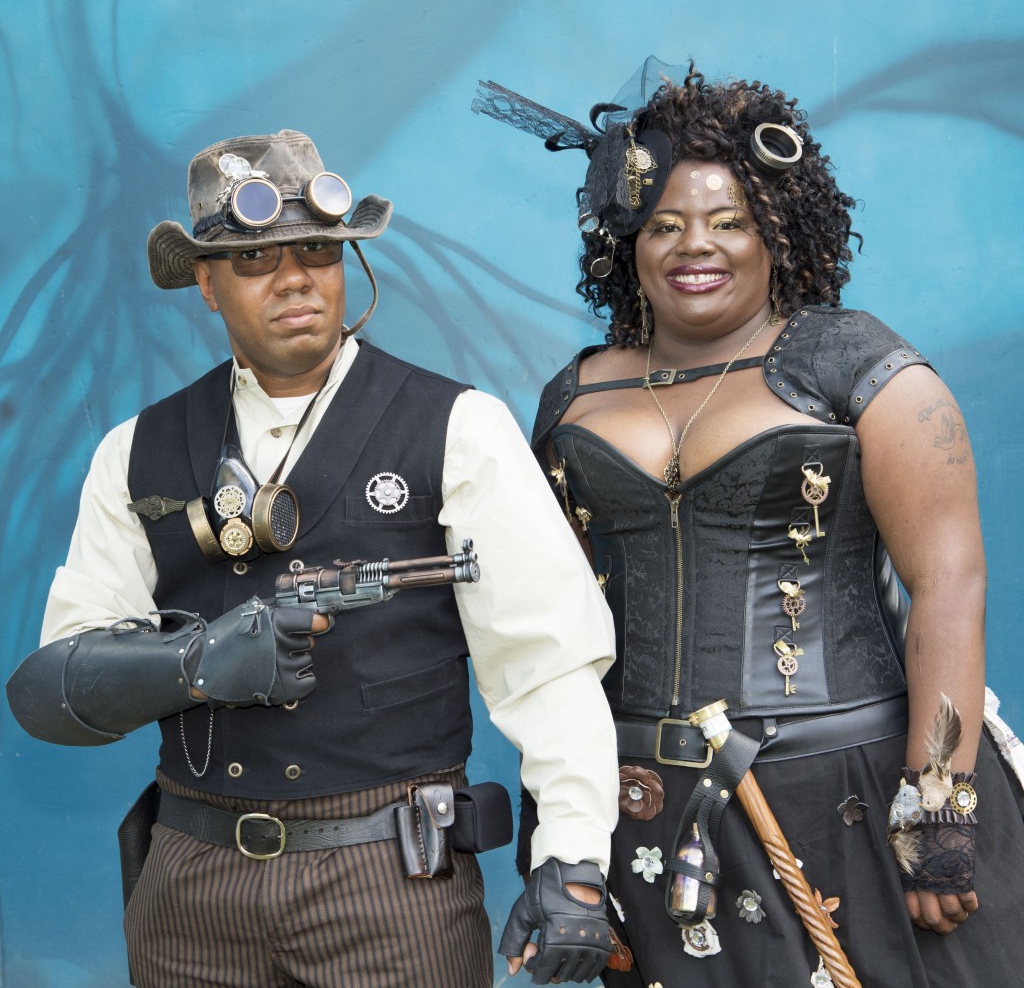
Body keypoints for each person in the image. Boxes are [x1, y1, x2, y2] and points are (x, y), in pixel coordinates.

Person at [6, 128, 620, 988]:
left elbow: (548, 669)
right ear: (207, 285)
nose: (295, 277)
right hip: (193, 886)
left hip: (390, 882)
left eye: (317, 250)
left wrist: (572, 860)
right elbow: (59, 685)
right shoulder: (135, 451)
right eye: (256, 260)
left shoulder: (458, 427)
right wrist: (197, 663)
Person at [474, 60, 1024, 986]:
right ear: (629, 241)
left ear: (779, 232)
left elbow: (948, 582)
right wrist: (563, 821)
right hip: (644, 808)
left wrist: (938, 805)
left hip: (849, 797)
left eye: (731, 221)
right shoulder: (573, 395)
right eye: (667, 223)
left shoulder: (858, 366)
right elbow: (547, 630)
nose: (699, 246)